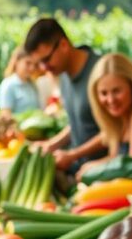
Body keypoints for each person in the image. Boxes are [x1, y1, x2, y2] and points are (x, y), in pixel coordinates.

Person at [24, 18, 105, 173]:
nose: (44, 68)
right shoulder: (63, 75)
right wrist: (52, 144)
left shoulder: (100, 72)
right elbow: (79, 123)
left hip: (101, 172)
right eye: (39, 63)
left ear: (63, 45)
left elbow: (114, 130)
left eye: (46, 60)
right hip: (78, 171)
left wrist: (73, 154)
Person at [75, 53, 132, 180]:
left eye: (116, 91)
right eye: (103, 93)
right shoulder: (121, 117)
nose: (110, 99)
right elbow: (115, 158)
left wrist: (94, 167)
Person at [0, 46, 41, 115]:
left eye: (34, 64)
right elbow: (5, 116)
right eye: (28, 63)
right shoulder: (8, 85)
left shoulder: (32, 85)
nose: (32, 68)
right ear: (17, 61)